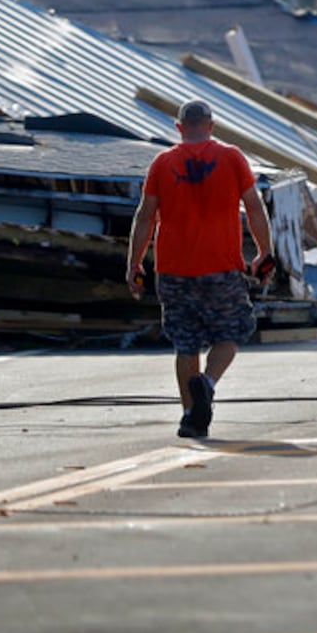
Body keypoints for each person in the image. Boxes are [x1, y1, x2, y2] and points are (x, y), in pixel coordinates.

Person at [127, 99, 273, 439]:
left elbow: (145, 216)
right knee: (232, 332)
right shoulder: (232, 157)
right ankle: (206, 384)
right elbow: (254, 207)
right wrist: (265, 251)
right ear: (210, 125)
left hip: (174, 269)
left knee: (186, 344)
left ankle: (191, 416)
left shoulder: (162, 163)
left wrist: (133, 262)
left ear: (180, 128)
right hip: (220, 267)